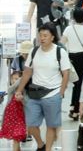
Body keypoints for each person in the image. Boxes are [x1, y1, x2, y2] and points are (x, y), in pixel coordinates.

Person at [15, 23, 71, 151]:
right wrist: (19, 90)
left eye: (45, 35)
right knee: (31, 124)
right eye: (40, 35)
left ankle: (48, 149)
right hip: (34, 93)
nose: (42, 38)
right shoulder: (34, 51)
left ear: (52, 37)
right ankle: (41, 144)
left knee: (51, 125)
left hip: (53, 93)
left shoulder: (59, 52)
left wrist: (61, 92)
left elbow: (66, 73)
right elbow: (27, 72)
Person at [60, 8, 83, 121]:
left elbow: (61, 44)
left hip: (71, 59)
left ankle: (74, 108)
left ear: (73, 17)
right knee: (81, 84)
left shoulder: (68, 29)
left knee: (76, 84)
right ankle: (75, 109)